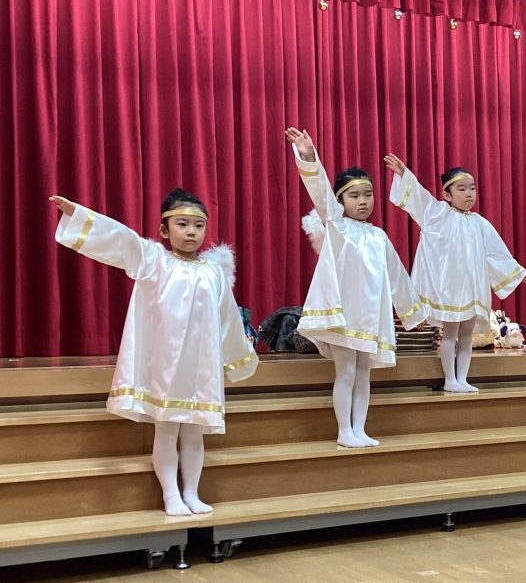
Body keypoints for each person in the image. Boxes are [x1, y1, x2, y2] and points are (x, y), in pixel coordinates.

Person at [50, 189, 257, 515]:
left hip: (201, 367)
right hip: (166, 365)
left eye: (198, 225)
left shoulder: (213, 271)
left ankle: (191, 492)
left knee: (195, 432)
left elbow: (228, 317)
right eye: (182, 224)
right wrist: (78, 215)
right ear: (164, 230)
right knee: (167, 428)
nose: (191, 232)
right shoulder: (153, 260)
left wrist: (236, 358)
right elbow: (121, 239)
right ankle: (170, 494)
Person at [285, 127, 425, 448]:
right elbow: (320, 190)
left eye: (368, 194)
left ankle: (359, 428)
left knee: (364, 372)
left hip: (369, 317)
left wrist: (413, 315)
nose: (363, 201)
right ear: (340, 201)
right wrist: (309, 157)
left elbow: (397, 276)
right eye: (354, 195)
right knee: (346, 371)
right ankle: (344, 430)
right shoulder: (336, 224)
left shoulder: (378, 236)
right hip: (343, 314)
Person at [385, 154, 526, 392]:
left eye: (472, 188)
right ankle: (450, 380)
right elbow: (418, 196)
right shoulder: (436, 214)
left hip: (472, 287)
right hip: (449, 288)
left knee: (466, 335)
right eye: (461, 189)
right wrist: (404, 175)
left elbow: (496, 253)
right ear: (447, 195)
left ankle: (462, 378)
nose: (469, 193)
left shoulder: (480, 223)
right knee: (450, 333)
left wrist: (517, 272)